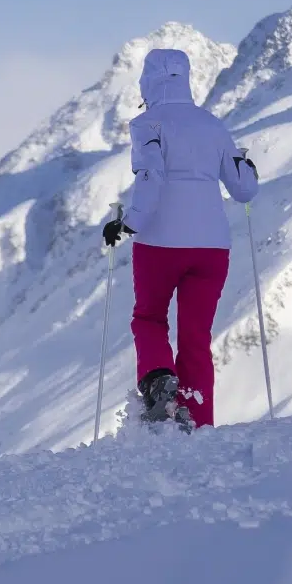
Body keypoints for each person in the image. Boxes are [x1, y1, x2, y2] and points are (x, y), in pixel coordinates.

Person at [101, 47, 258, 428]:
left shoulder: (147, 125)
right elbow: (243, 189)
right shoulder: (212, 125)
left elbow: (150, 179)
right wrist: (245, 164)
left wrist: (127, 224)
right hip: (211, 248)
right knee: (196, 337)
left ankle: (159, 384)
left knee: (150, 318)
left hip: (160, 243)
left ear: (148, 80)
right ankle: (198, 420)